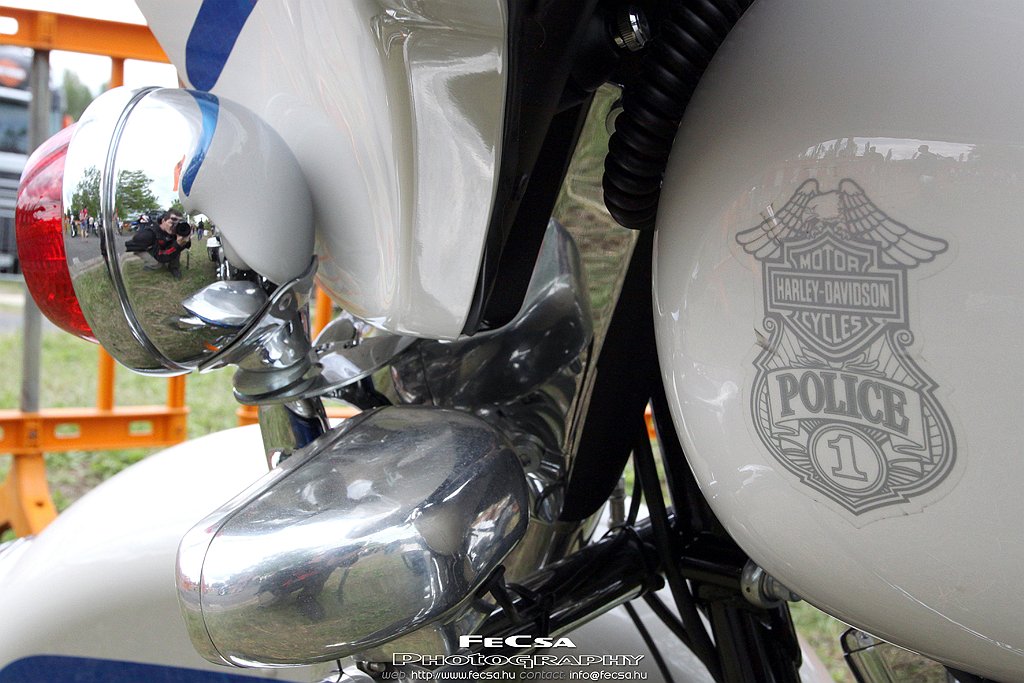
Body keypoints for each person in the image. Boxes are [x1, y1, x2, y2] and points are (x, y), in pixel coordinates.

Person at [125, 209, 190, 279]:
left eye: (178, 223)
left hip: (160, 246)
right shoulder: (150, 233)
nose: (175, 226)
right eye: (172, 222)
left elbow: (185, 246)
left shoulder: (172, 231)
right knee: (158, 264)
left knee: (176, 246)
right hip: (143, 248)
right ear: (163, 221)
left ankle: (173, 267)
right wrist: (177, 245)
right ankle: (149, 265)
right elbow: (160, 256)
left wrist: (185, 238)